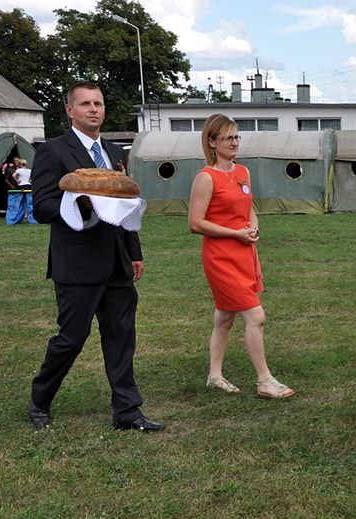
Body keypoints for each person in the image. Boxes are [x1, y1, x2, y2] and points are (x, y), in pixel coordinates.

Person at [28, 81, 164, 432]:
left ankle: (127, 411)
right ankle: (40, 398)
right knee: (71, 338)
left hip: (117, 260)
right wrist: (80, 201)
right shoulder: (53, 151)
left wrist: (135, 252)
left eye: (98, 103)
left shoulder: (116, 151)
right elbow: (41, 207)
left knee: (121, 335)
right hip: (76, 263)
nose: (93, 109)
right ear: (70, 110)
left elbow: (125, 207)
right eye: (85, 103)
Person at [188, 113, 294, 398]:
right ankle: (264, 381)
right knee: (256, 317)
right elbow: (195, 223)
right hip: (221, 257)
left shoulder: (242, 172)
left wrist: (253, 228)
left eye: (237, 137)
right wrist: (234, 234)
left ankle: (215, 376)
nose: (235, 142)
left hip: (245, 253)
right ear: (212, 142)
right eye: (228, 138)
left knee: (224, 318)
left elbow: (248, 208)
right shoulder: (206, 178)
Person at [7, 159, 37, 224]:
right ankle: (32, 219)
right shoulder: (30, 170)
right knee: (30, 203)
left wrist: (17, 180)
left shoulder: (19, 170)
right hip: (29, 186)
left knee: (19, 202)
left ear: (20, 164)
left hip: (21, 186)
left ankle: (15, 219)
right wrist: (29, 181)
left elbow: (13, 175)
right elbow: (31, 179)